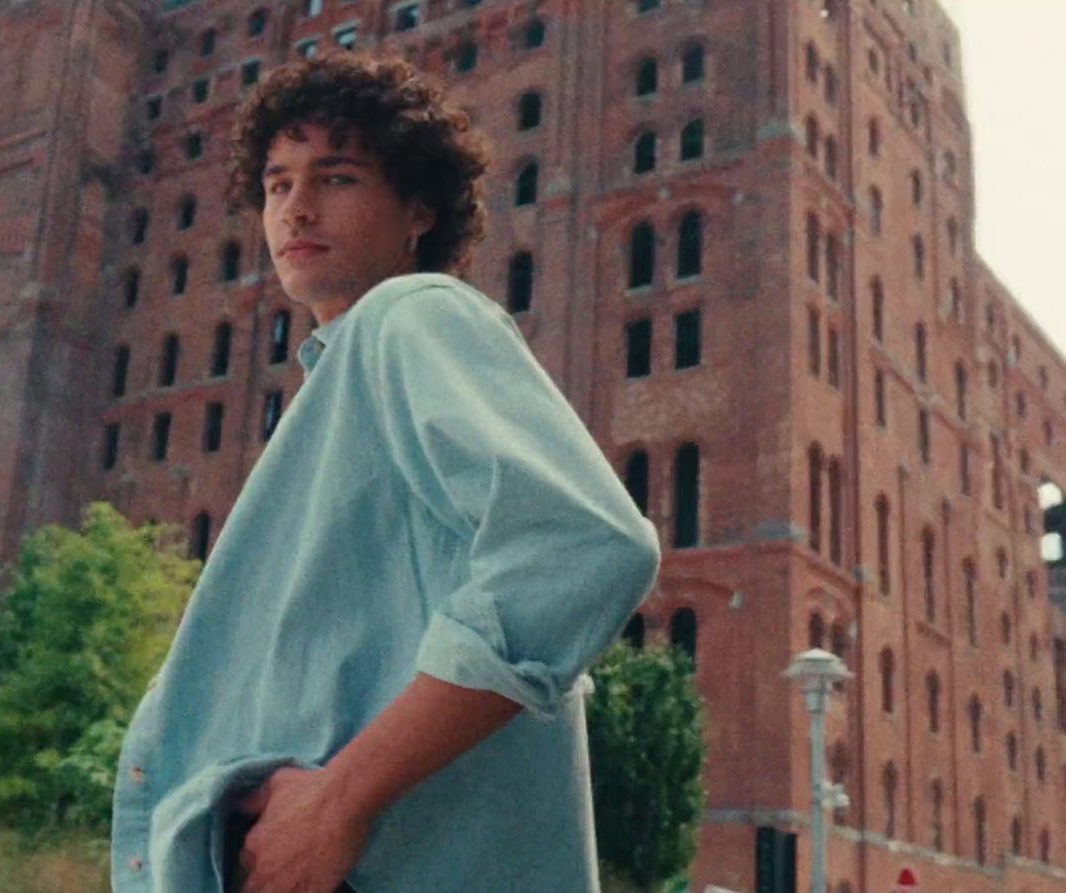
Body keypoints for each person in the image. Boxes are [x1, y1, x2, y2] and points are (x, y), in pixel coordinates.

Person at [109, 51, 662, 893]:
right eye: (276, 182)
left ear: (417, 211)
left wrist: (340, 800)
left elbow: (583, 545)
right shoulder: (336, 391)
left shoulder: (410, 316)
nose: (296, 205)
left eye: (336, 177)